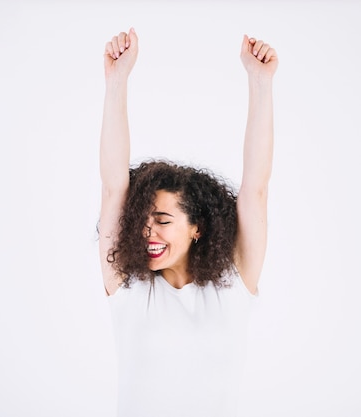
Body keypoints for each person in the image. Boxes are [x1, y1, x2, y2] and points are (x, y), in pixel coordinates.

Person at [98, 28, 277, 417]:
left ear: (197, 228)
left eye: (162, 219)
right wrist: (116, 81)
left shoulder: (233, 287)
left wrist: (260, 84)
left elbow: (255, 190)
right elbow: (114, 188)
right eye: (143, 220)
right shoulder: (130, 291)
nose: (148, 231)